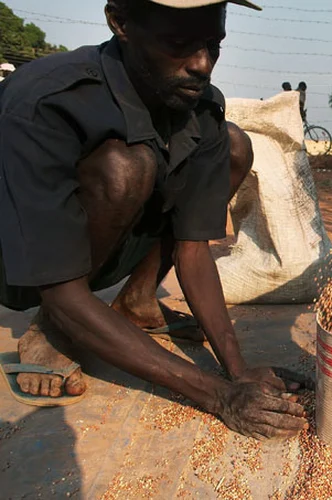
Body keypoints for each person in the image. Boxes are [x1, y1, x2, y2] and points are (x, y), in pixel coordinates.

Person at [0, 0, 308, 440]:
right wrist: (218, 395)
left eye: (213, 44)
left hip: (95, 248)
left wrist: (237, 372)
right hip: (19, 259)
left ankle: (137, 302)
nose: (203, 64)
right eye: (180, 44)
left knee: (232, 145)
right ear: (120, 22)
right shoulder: (48, 100)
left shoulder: (199, 105)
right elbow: (58, 280)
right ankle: (55, 325)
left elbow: (192, 248)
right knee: (128, 165)